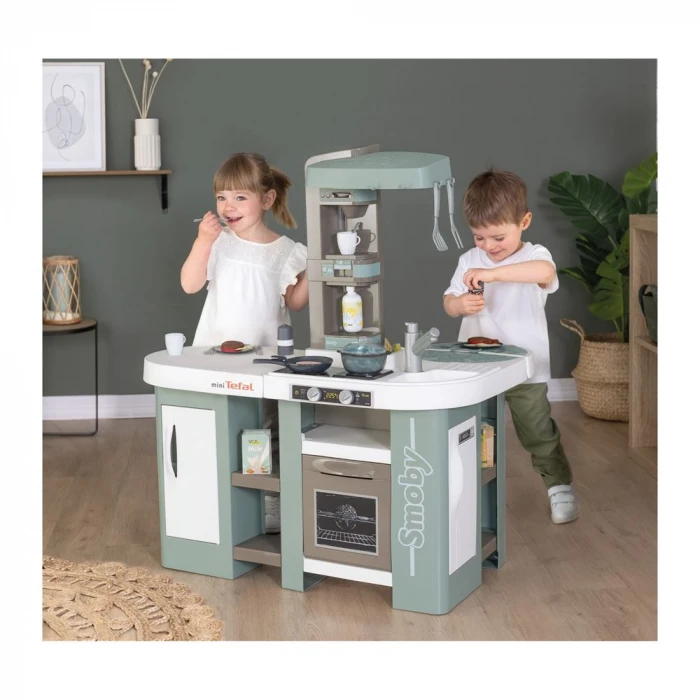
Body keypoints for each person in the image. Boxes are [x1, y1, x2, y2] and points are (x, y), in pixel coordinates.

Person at [181, 152, 309, 533]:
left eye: (240, 197)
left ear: (266, 199)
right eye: (222, 197)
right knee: (216, 429)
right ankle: (212, 503)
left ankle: (267, 505)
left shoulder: (286, 251)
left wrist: (315, 269)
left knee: (265, 433)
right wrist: (203, 242)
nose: (229, 206)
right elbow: (189, 284)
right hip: (216, 360)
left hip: (264, 365)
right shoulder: (219, 242)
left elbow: (295, 302)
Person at [443, 169, 579, 524]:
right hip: (477, 366)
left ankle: (558, 485)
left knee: (537, 431)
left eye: (498, 237)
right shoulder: (469, 260)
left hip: (525, 367)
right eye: (479, 237)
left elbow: (544, 274)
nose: (488, 246)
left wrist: (492, 274)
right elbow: (448, 301)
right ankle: (466, 493)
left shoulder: (535, 255)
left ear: (524, 222)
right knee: (471, 431)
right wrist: (459, 304)